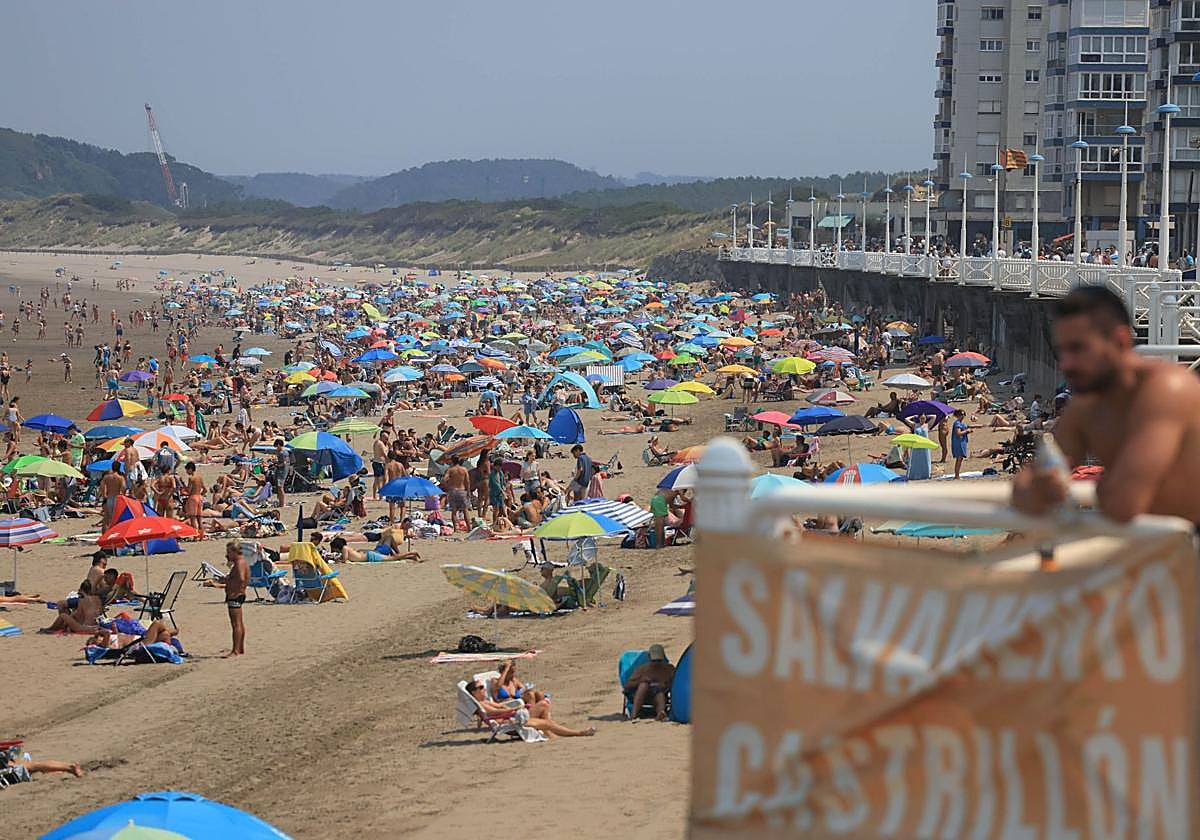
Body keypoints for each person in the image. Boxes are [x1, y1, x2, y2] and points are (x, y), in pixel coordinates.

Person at [1013, 287, 1200, 523]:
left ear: (1120, 340)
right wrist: (1038, 485)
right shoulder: (1087, 404)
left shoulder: (1168, 389)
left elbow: (1123, 503)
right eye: (1062, 351)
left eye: (1078, 348)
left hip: (1187, 539)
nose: (1066, 364)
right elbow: (1025, 490)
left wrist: (1061, 486)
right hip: (1150, 540)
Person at [463, 680, 594, 738]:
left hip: (514, 717)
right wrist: (514, 708)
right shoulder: (481, 704)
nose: (484, 689)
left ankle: (550, 732)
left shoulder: (485, 701)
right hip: (510, 722)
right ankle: (578, 733)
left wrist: (511, 706)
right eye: (481, 688)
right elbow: (496, 712)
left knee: (543, 707)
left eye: (483, 686)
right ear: (474, 692)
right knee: (545, 716)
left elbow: (500, 707)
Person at [622, 644, 676, 722]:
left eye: (659, 661)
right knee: (644, 685)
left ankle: (661, 714)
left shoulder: (669, 669)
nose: (656, 663)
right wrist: (641, 680)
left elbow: (676, 685)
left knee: (659, 693)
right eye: (654, 661)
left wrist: (665, 685)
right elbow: (627, 686)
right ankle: (634, 716)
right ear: (649, 658)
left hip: (659, 696)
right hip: (642, 697)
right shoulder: (643, 669)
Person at [223, 540, 248, 657]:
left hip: (235, 595)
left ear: (234, 552)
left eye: (229, 552)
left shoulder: (239, 563)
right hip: (238, 594)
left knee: (236, 624)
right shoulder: (241, 562)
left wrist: (230, 580)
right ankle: (240, 648)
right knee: (239, 623)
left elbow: (241, 578)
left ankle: (235, 650)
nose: (227, 554)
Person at [442, 455, 471, 531]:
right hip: (462, 490)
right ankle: (469, 527)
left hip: (453, 490)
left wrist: (448, 486)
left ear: (452, 461)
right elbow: (467, 481)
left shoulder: (451, 470)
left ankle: (456, 528)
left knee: (454, 511)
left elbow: (444, 479)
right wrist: (468, 491)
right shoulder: (464, 469)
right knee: (465, 510)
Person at [183, 462, 206, 535]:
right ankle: (201, 535)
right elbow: (205, 489)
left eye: (187, 470)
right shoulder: (200, 477)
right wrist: (200, 494)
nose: (187, 472)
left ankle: (195, 535)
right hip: (199, 497)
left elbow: (189, 491)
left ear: (190, 469)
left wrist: (183, 486)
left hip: (193, 498)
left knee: (193, 518)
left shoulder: (191, 478)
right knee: (199, 518)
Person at [950, 409, 970, 479]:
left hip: (962, 442)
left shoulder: (961, 423)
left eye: (964, 414)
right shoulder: (957, 423)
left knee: (960, 459)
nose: (963, 416)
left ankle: (957, 475)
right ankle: (957, 475)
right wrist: (967, 431)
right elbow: (958, 433)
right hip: (958, 443)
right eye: (961, 414)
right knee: (959, 458)